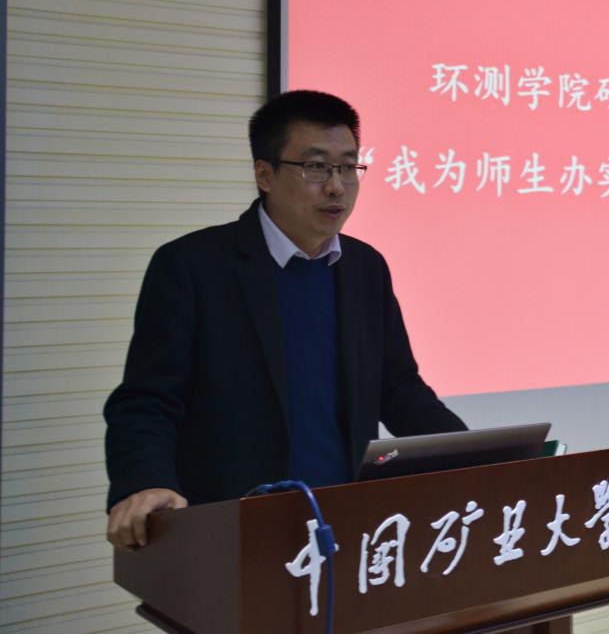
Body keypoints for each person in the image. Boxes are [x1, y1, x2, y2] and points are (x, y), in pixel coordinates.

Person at [103, 90, 465, 549]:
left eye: (348, 167)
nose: (336, 186)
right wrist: (145, 482)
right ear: (264, 174)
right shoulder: (194, 266)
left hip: (346, 524)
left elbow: (397, 389)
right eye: (315, 167)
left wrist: (476, 456)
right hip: (235, 525)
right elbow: (148, 400)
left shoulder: (365, 267)